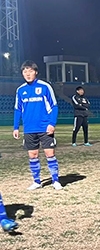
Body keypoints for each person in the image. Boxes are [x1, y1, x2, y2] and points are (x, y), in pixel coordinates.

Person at [13, 60, 63, 191]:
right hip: (29, 129)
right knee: (33, 155)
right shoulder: (20, 90)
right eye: (25, 71)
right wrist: (16, 127)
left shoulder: (45, 86)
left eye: (30, 71)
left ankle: (55, 180)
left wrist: (52, 124)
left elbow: (54, 106)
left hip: (45, 127)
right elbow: (17, 109)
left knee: (50, 154)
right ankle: (36, 181)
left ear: (36, 72)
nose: (27, 74)